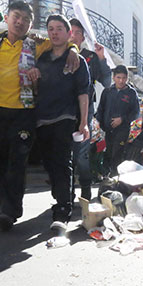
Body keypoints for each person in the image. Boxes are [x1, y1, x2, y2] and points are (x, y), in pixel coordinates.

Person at [0, 1, 79, 231]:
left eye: (25, 19)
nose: (20, 22)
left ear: (30, 24)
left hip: (24, 113)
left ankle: (9, 212)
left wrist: (73, 50)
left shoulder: (35, 45)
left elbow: (64, 42)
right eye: (16, 16)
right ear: (7, 17)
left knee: (17, 164)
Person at [26, 14, 90, 231]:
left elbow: (83, 93)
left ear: (68, 33)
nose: (54, 32)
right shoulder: (42, 59)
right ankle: (63, 197)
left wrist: (84, 122)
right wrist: (34, 80)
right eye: (51, 28)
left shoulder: (76, 60)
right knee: (50, 165)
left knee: (63, 162)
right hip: (43, 119)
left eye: (59, 29)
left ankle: (62, 210)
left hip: (66, 117)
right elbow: (37, 91)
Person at [69, 18, 111, 201]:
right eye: (70, 31)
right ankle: (66, 194)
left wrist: (101, 58)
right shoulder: (57, 52)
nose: (73, 36)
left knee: (81, 155)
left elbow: (107, 81)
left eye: (78, 32)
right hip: (62, 109)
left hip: (85, 110)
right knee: (65, 156)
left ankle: (85, 189)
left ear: (83, 36)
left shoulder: (90, 56)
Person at [96, 65, 139, 176]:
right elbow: (101, 109)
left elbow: (135, 113)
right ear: (113, 78)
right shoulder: (107, 91)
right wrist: (99, 124)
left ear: (127, 78)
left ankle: (116, 178)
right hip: (107, 130)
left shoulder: (131, 93)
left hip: (122, 130)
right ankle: (106, 177)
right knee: (108, 153)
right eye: (118, 77)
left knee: (117, 153)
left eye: (124, 78)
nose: (121, 80)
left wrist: (122, 119)